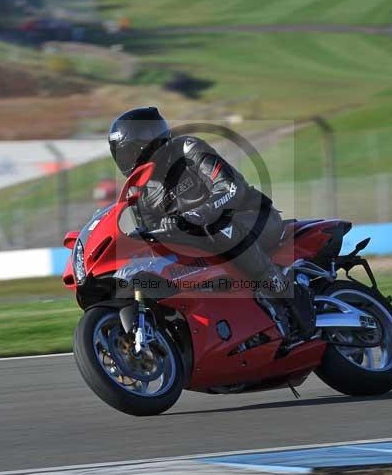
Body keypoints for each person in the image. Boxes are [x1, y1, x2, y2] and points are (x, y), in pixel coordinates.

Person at [108, 106, 314, 340]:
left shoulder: (188, 150)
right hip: (204, 241)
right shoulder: (140, 194)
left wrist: (197, 215)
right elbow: (153, 236)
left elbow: (230, 188)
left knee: (222, 229)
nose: (127, 160)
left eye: (131, 152)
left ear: (150, 143)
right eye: (121, 154)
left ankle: (285, 292)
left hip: (253, 217)